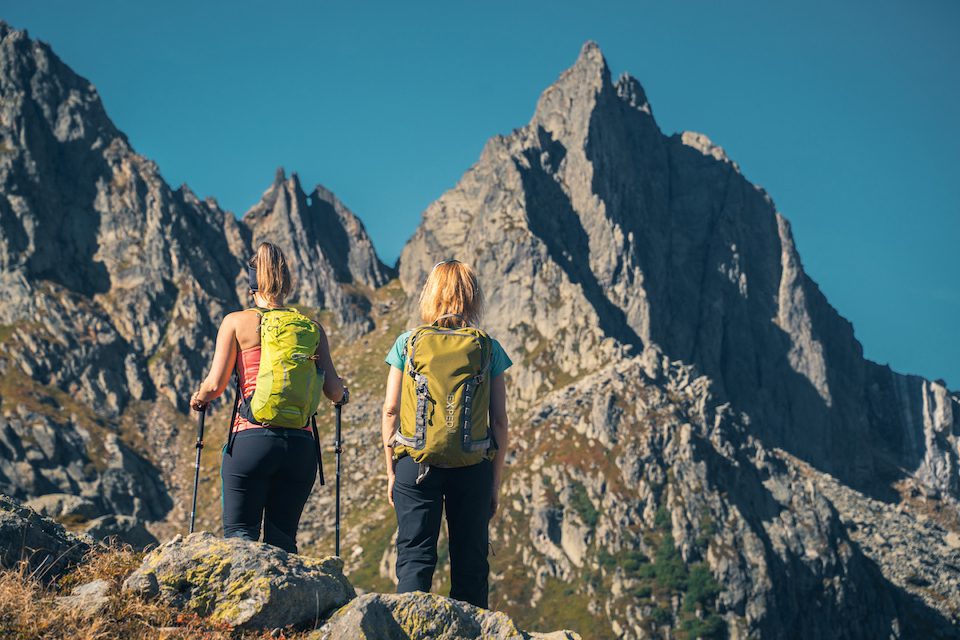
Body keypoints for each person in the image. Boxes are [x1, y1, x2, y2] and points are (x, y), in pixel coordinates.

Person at [190, 242, 347, 553]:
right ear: (287, 282)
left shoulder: (236, 322)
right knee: (283, 542)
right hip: (301, 448)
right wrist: (345, 392)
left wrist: (199, 397)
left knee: (239, 538)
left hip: (252, 441)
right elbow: (334, 392)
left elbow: (215, 385)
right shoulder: (311, 328)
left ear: (251, 284)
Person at [380, 259, 511, 608]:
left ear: (430, 295)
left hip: (414, 463)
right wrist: (494, 485)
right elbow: (499, 422)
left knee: (414, 560)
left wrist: (392, 471)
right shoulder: (488, 347)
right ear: (472, 298)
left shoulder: (407, 343)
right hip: (472, 466)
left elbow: (391, 410)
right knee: (470, 567)